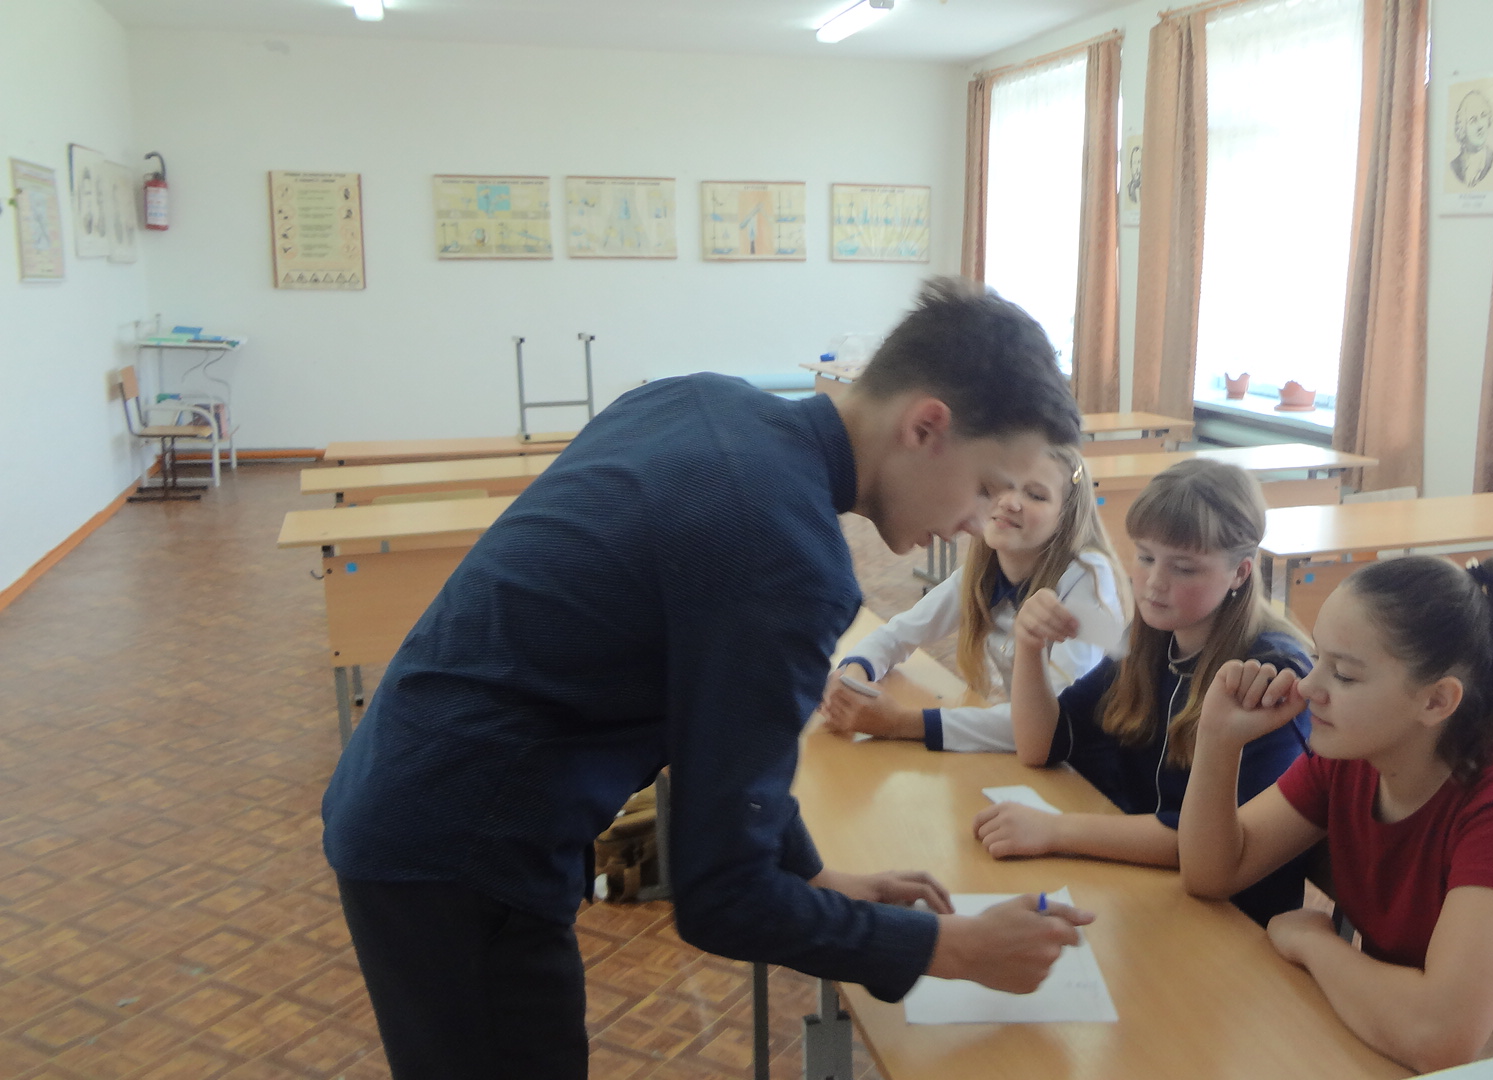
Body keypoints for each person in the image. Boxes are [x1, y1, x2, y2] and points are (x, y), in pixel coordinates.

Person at [321, 278, 1097, 1080]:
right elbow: (722, 896)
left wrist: (818, 876)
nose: (979, 522)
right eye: (985, 487)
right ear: (925, 426)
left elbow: (722, 753)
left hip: (412, 781)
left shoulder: (705, 401)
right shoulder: (784, 558)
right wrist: (952, 947)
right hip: (459, 844)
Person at [1178, 555, 1493, 1072]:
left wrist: (1314, 944)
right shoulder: (1356, 754)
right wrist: (1218, 741)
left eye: (1344, 675)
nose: (1308, 688)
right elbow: (1213, 872)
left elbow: (1438, 1036)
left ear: (1437, 701)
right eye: (1317, 657)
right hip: (1385, 1039)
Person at [975, 459, 1314, 923]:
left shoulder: (1269, 675)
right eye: (1146, 557)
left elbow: (1210, 845)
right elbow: (1041, 745)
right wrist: (1029, 646)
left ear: (1240, 573)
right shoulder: (1152, 638)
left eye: (1184, 568)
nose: (1155, 583)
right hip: (1142, 886)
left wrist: (1057, 830)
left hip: (1231, 919)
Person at [820, 443, 1127, 752]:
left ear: (1065, 517)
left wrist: (901, 723)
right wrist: (852, 678)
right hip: (1033, 756)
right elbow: (899, 634)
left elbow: (1053, 721)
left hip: (1085, 761)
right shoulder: (984, 572)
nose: (1009, 502)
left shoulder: (1087, 578)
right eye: (1001, 485)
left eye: (1035, 495)